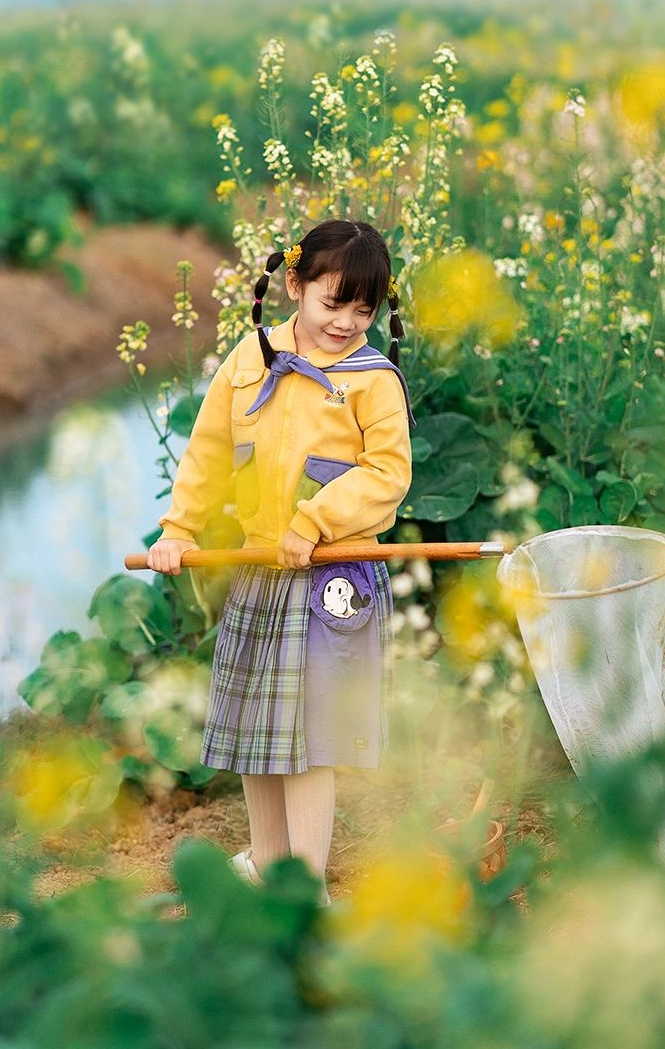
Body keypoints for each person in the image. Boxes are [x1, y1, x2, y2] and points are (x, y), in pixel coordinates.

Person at [147, 219, 416, 907]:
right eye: (333, 303)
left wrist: (313, 519)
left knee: (308, 742)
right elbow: (208, 454)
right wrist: (179, 528)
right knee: (254, 732)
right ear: (294, 285)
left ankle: (304, 886)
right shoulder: (248, 360)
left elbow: (388, 474)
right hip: (259, 572)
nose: (347, 323)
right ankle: (269, 864)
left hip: (330, 580)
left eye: (365, 310)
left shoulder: (372, 380)